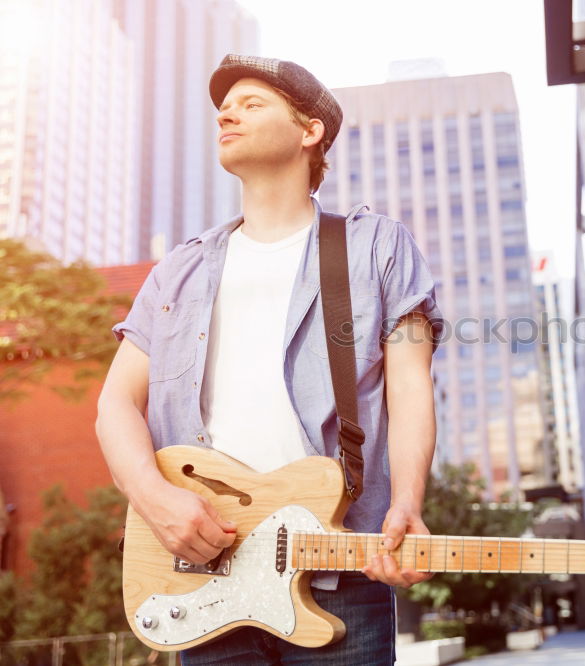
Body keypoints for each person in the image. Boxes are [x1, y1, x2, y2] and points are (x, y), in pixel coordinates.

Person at [95, 53, 444, 665]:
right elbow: (115, 403)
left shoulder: (378, 247)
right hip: (201, 575)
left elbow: (411, 386)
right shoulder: (177, 270)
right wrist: (153, 497)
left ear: (310, 132)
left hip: (342, 572)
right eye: (224, 108)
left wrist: (406, 503)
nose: (227, 113)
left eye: (252, 103)